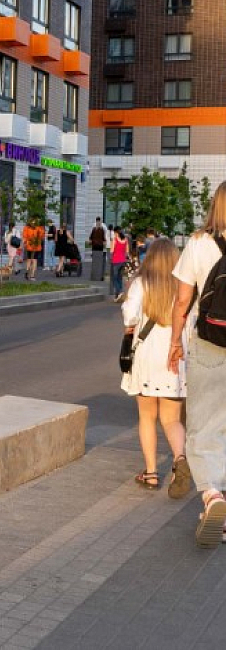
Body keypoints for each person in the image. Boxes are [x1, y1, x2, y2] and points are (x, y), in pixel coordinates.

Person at [168, 180, 226, 548]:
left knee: (204, 425)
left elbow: (181, 301)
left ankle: (213, 496)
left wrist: (175, 341)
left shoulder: (199, 243)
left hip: (210, 343)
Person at [121, 238, 189, 497]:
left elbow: (130, 317)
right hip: (174, 357)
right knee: (172, 419)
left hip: (147, 358)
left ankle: (150, 473)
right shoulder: (183, 286)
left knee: (147, 416)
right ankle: (180, 459)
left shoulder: (141, 283)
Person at [22, 217, 45, 281]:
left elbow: (24, 237)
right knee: (34, 260)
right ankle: (32, 275)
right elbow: (42, 236)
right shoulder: (39, 228)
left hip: (29, 245)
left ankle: (27, 271)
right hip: (36, 246)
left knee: (29, 259)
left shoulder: (26, 228)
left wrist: (24, 244)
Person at [111, 226, 129, 302]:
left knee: (114, 278)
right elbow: (127, 251)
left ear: (116, 232)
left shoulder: (115, 239)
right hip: (123, 260)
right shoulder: (125, 239)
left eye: (114, 232)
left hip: (116, 260)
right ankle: (118, 295)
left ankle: (120, 291)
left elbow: (112, 250)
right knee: (119, 278)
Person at [90, 217, 107, 282]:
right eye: (98, 222)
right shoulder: (97, 228)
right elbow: (104, 238)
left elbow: (91, 238)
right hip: (98, 247)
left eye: (98, 222)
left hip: (97, 247)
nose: (98, 223)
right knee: (97, 262)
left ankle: (97, 276)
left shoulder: (100, 228)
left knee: (97, 262)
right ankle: (97, 276)